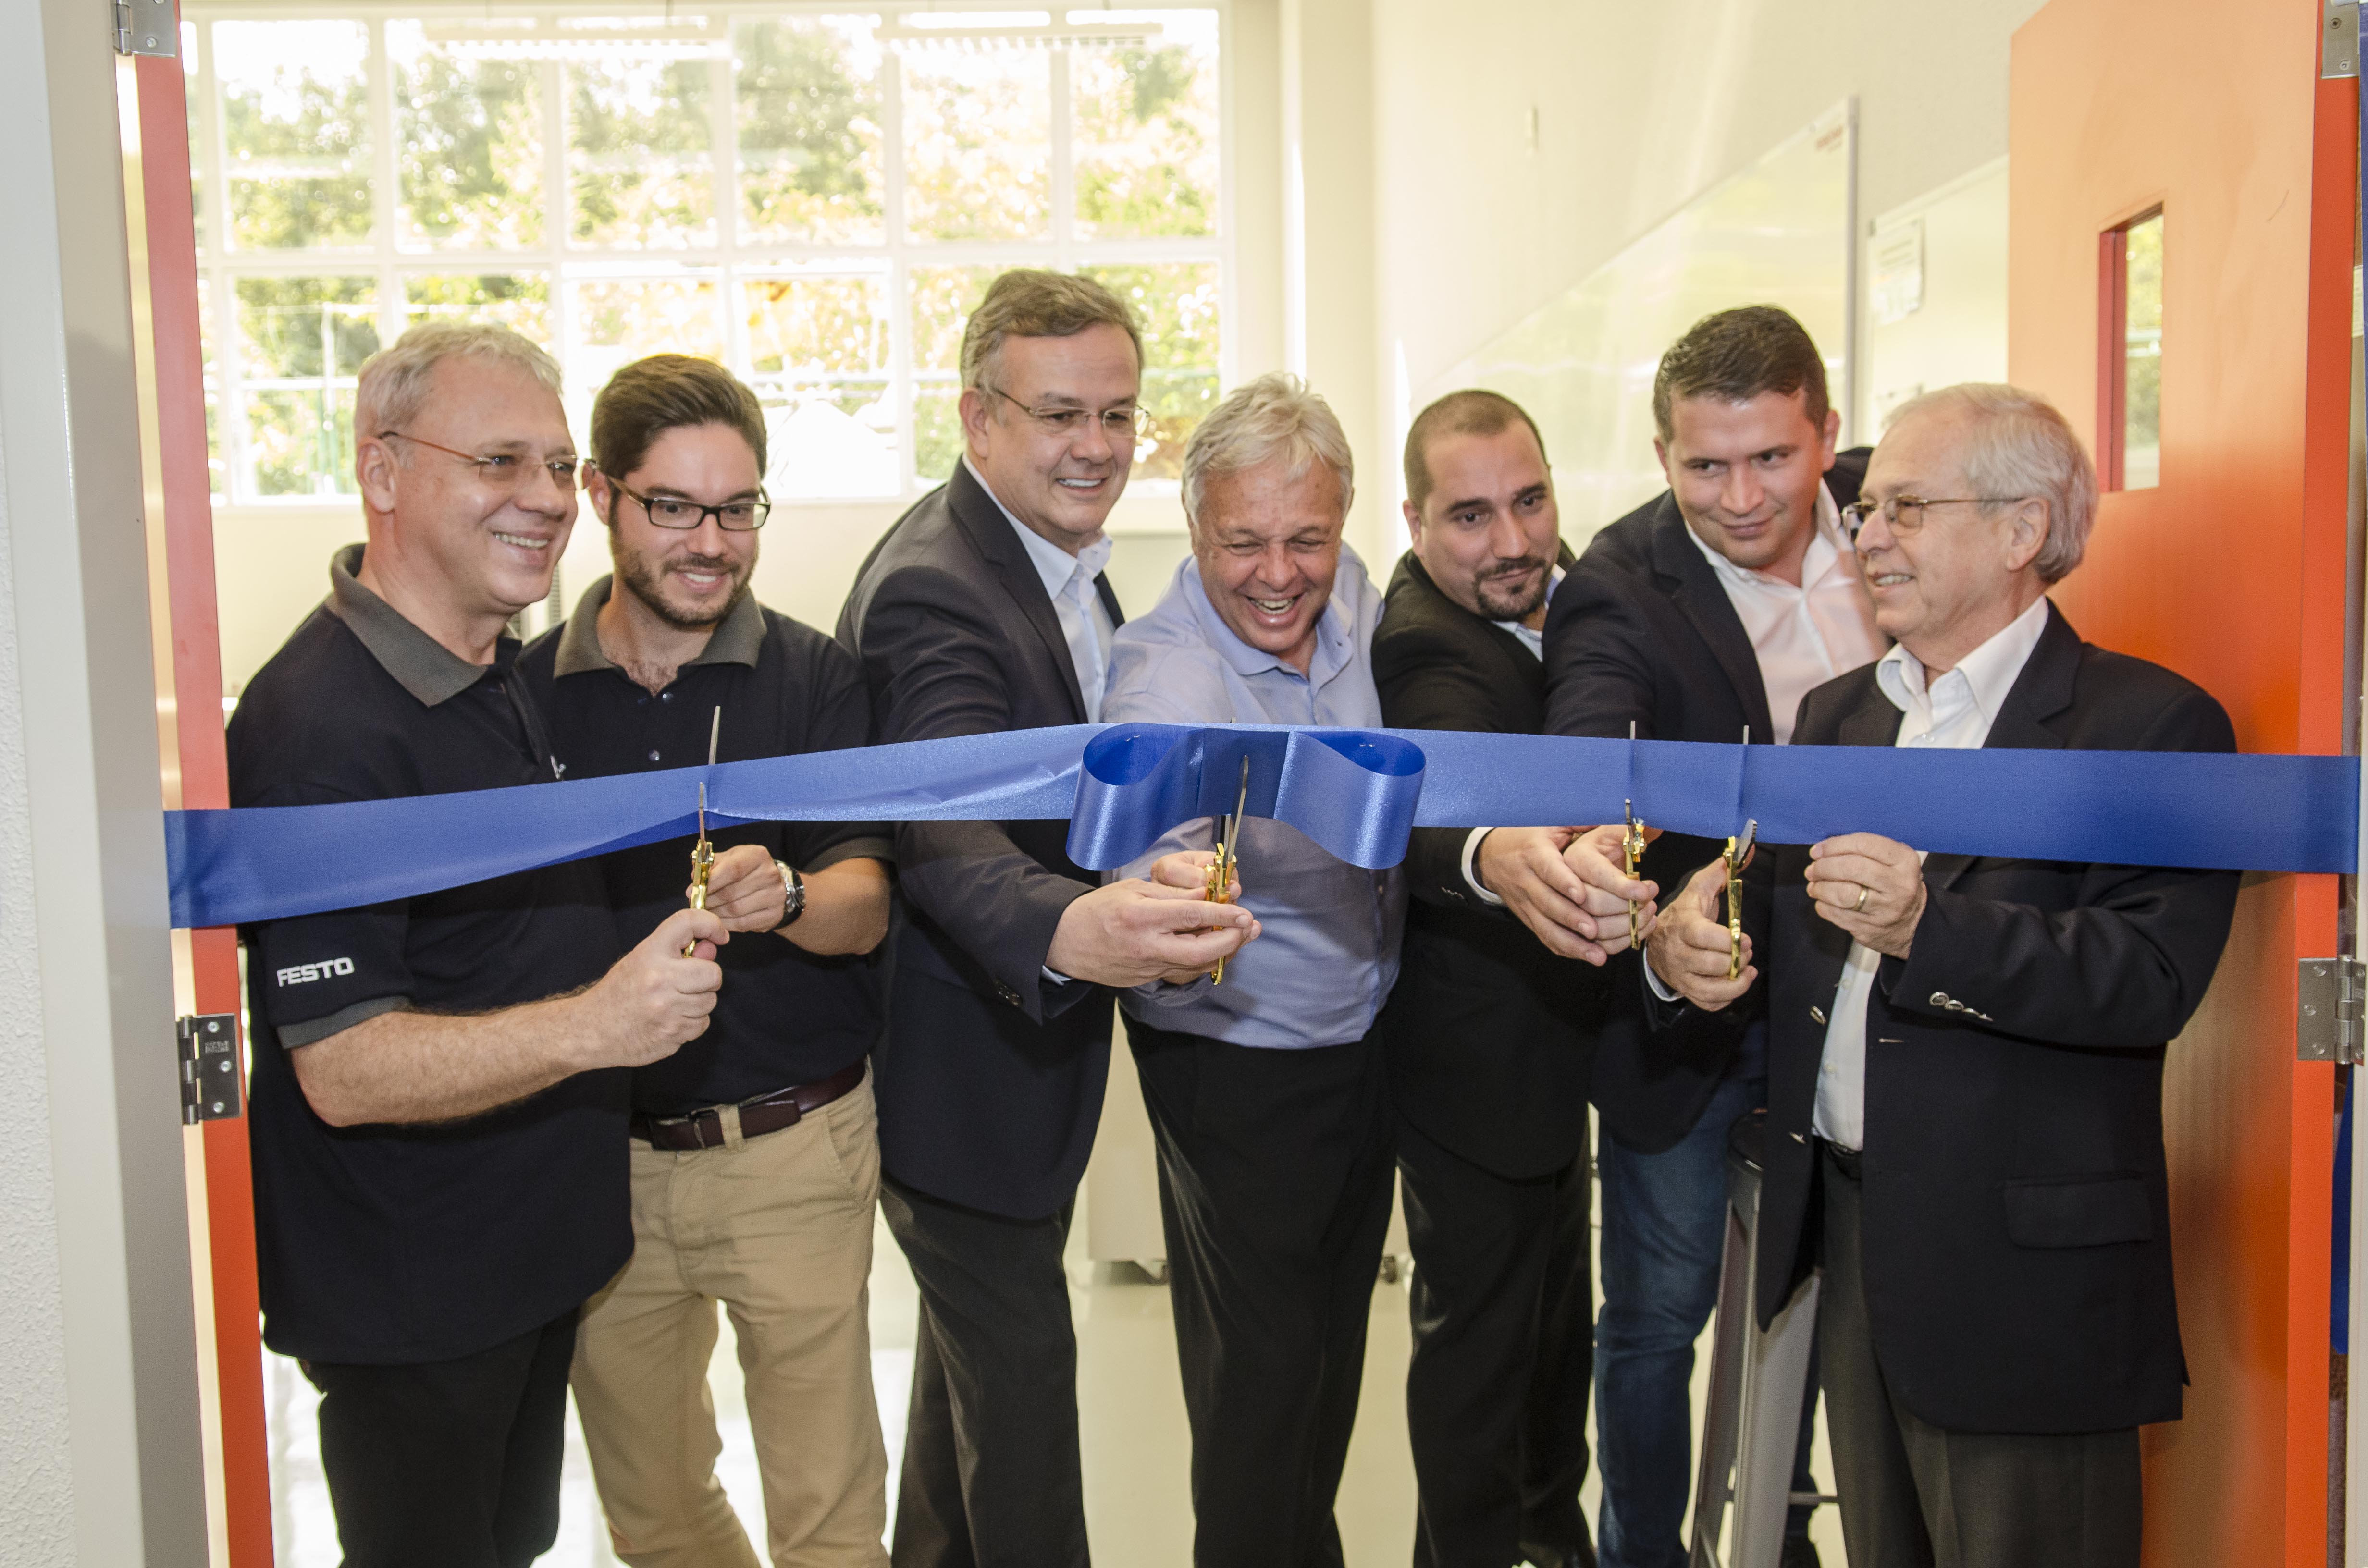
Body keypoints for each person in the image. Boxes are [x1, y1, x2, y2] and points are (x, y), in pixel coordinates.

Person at [1647, 383, 2238, 1568]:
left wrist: (1933, 929)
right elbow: (1785, 950)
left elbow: (2152, 976)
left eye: (1905, 509)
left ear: (2022, 531)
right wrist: (1684, 954)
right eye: (1866, 510)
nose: (1865, 536)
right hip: (1856, 1247)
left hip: (2025, 1279)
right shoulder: (1836, 717)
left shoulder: (2152, 728)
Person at [226, 323, 727, 1568]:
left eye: (561, 468)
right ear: (384, 472)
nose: (550, 501)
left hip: (525, 1269)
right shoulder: (320, 727)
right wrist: (603, 1027)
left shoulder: (496, 662)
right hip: (414, 1301)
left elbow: (508, 928)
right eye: (502, 460)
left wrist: (700, 902)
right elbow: (343, 1069)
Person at [837, 269, 1260, 1568]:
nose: (1096, 447)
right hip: (961, 1076)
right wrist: (1075, 930)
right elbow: (943, 826)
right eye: (1060, 414)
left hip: (1019, 1066)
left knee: (968, 1394)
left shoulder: (1061, 563)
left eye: (1120, 415)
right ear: (979, 418)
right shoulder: (940, 587)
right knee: (1020, 1404)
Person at [519, 355, 894, 1567]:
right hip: (597, 1165)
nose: (711, 542)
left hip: (792, 1152)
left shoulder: (816, 675)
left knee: (828, 1515)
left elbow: (868, 900)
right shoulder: (522, 701)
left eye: (737, 509)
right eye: (673, 506)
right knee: (656, 1513)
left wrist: (786, 894)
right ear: (600, 495)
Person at [1543, 305, 1885, 1568]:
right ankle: (1645, 1554)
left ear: (1828, 436)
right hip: (1689, 1013)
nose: (1740, 497)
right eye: (1703, 466)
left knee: (1809, 1308)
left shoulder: (1901, 520)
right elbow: (1590, 747)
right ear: (1660, 454)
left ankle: (1776, 1540)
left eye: (1773, 460)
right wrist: (1617, 880)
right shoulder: (1623, 587)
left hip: (1872, 1004)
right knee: (1660, 1321)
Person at [1099, 374, 1401, 1568]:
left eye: (1307, 538)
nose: (1279, 573)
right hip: (1237, 1074)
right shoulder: (1165, 679)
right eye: (1242, 542)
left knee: (1325, 1372)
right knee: (1259, 1398)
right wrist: (1169, 899)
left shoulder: (1360, 603)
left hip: (1360, 1042)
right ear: (1192, 527)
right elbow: (1153, 879)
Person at [1373, 389, 1655, 1568]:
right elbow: (1441, 791)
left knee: (1552, 1340)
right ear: (1415, 520)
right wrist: (1495, 847)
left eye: (1530, 501)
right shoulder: (1423, 643)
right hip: (1471, 1064)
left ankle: (1554, 1541)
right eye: (1471, 516)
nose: (1512, 542)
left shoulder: (1570, 587)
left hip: (1559, 1055)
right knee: (1480, 1357)